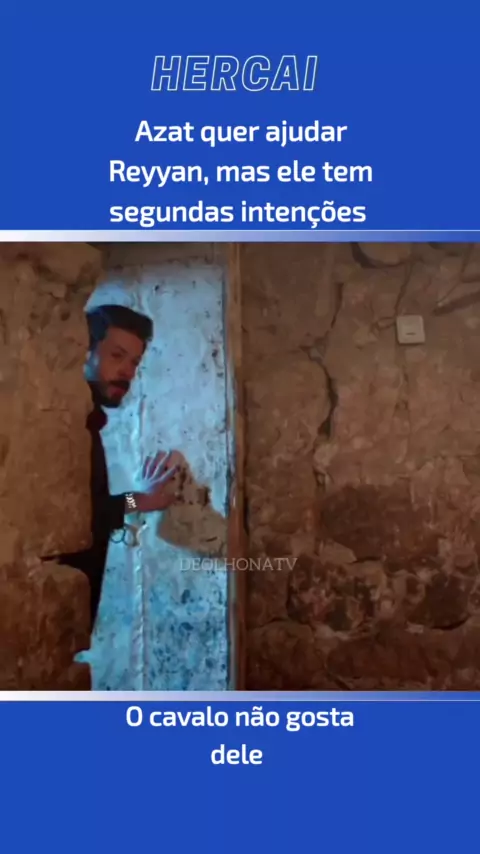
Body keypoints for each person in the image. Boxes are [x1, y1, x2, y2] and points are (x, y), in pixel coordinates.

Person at [53, 304, 179, 629]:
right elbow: (88, 514)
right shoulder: (60, 423)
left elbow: (94, 508)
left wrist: (141, 499)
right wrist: (140, 500)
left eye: (134, 362)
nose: (127, 372)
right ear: (85, 352)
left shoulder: (86, 422)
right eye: (117, 356)